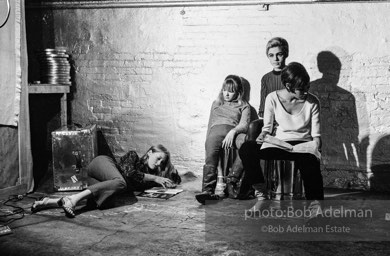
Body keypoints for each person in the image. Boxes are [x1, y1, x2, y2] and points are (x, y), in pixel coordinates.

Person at [239, 62, 324, 216]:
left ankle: (315, 205)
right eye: (301, 89)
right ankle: (262, 197)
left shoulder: (313, 102)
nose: (305, 91)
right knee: (247, 149)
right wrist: (262, 136)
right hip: (279, 144)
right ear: (288, 86)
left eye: (307, 87)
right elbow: (267, 129)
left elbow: (316, 135)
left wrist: (316, 148)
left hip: (302, 144)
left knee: (310, 160)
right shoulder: (272, 98)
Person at [31, 144, 181, 218]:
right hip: (101, 164)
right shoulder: (133, 156)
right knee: (120, 182)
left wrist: (170, 174)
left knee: (100, 203)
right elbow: (130, 173)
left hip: (99, 180)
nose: (159, 163)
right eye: (158, 158)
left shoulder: (150, 178)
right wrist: (155, 177)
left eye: (163, 162)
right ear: (150, 153)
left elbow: (174, 179)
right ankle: (73, 200)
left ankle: (48, 202)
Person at [195, 75, 251, 204]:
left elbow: (244, 125)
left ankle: (232, 181)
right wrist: (208, 140)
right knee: (210, 154)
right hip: (216, 131)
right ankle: (207, 191)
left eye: (231, 90)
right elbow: (210, 123)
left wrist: (233, 131)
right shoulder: (216, 103)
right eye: (225, 89)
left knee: (246, 144)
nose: (227, 93)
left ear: (238, 92)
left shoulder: (244, 105)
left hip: (234, 131)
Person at [247, 37, 289, 141]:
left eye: (279, 54)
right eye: (271, 55)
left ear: (286, 54)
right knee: (253, 127)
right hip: (270, 120)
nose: (275, 59)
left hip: (289, 120)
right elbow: (263, 107)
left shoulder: (292, 75)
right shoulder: (266, 78)